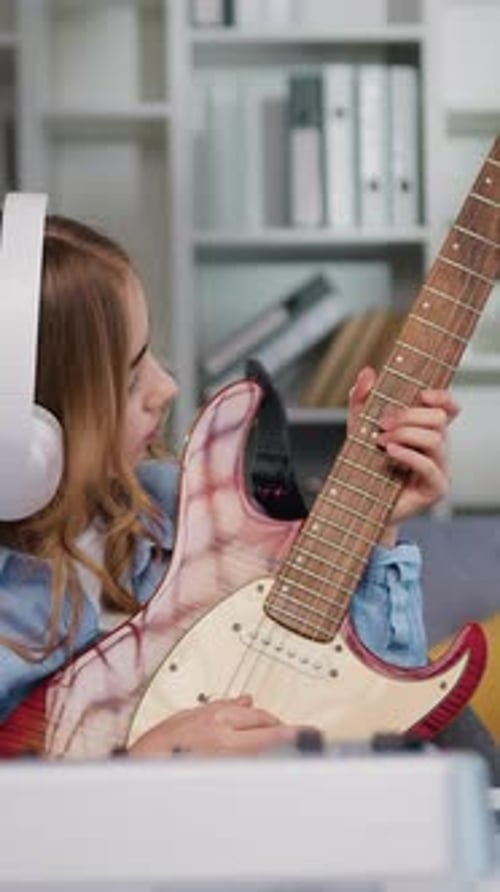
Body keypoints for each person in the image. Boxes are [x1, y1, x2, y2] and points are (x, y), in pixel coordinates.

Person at [0, 214, 460, 759]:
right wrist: (136, 769)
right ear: (26, 430)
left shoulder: (187, 505)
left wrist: (378, 522)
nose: (166, 388)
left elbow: (368, 716)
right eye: (128, 380)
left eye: (152, 356)